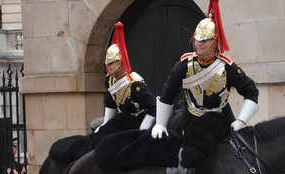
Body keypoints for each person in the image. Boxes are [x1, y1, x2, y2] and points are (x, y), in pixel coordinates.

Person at [151, 0, 259, 140]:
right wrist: (160, 123)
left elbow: (251, 92)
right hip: (191, 120)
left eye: (204, 40)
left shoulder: (227, 67)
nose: (199, 44)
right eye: (197, 39)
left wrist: (241, 121)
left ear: (214, 42)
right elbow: (168, 93)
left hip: (221, 119)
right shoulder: (184, 64)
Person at [94, 22, 156, 134]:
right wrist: (105, 125)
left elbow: (153, 108)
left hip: (138, 120)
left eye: (111, 62)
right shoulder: (109, 80)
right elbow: (110, 103)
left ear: (120, 62)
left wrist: (142, 130)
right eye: (107, 62)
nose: (107, 65)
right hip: (122, 119)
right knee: (97, 129)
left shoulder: (135, 85)